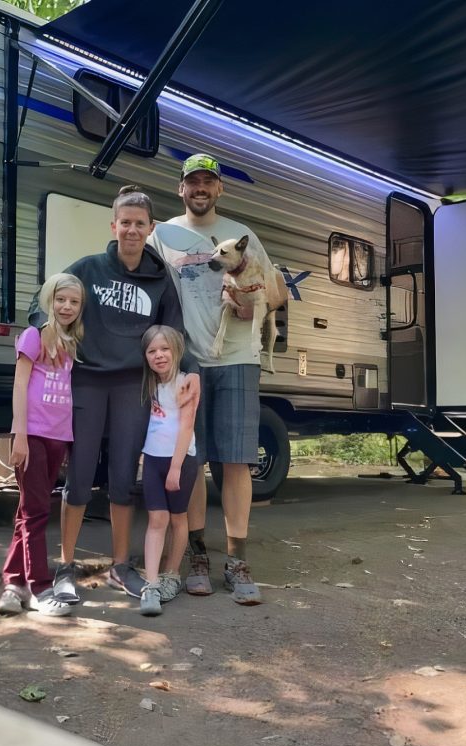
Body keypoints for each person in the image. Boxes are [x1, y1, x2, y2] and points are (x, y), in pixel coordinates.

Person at [149, 153, 285, 606]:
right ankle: (199, 557)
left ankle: (237, 560)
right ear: (181, 188)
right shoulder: (162, 235)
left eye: (209, 181)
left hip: (237, 357)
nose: (201, 189)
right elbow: (143, 285)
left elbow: (277, 290)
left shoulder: (243, 237)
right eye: (193, 182)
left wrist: (254, 305)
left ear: (219, 189)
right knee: (191, 462)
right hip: (188, 363)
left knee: (236, 461)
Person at [52, 185, 196, 605]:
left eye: (139, 224)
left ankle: (120, 564)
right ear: (113, 225)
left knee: (121, 477)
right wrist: (53, 337)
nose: (132, 230)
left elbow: (176, 335)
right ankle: (65, 565)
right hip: (88, 382)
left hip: (134, 387)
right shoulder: (90, 268)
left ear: (150, 229)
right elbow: (47, 303)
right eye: (125, 222)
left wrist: (194, 372)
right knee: (78, 475)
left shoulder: (160, 280)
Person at [0, 272, 85, 618]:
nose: (66, 306)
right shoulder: (33, 337)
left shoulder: (70, 343)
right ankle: (40, 588)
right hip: (31, 435)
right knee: (37, 513)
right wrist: (19, 435)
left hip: (58, 437)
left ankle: (13, 583)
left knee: (27, 511)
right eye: (61, 299)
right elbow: (20, 387)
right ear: (50, 300)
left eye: (74, 302)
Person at [138, 325, 198, 616]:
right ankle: (150, 584)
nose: (159, 355)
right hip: (152, 458)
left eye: (165, 349)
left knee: (177, 518)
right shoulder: (149, 384)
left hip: (180, 460)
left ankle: (172, 574)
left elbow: (186, 426)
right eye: (152, 351)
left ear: (176, 352)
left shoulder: (186, 382)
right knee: (156, 519)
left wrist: (175, 467)